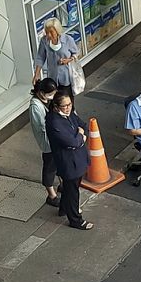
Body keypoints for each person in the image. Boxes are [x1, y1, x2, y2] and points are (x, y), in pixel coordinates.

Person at [45, 93, 92, 230]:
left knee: (71, 188)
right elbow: (71, 142)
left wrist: (80, 135)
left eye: (69, 104)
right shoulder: (54, 122)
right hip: (68, 162)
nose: (68, 108)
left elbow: (83, 124)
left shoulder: (69, 114)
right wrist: (81, 136)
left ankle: (64, 208)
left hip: (78, 159)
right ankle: (76, 220)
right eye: (64, 106)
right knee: (72, 191)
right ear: (56, 106)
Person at [29, 78, 61, 207]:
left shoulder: (46, 101)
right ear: (42, 93)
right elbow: (42, 127)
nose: (52, 96)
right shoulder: (35, 107)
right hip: (48, 143)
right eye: (50, 94)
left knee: (58, 164)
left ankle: (61, 185)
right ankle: (51, 195)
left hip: (55, 141)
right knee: (50, 168)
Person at [32, 18, 79, 94]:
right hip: (52, 77)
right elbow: (40, 57)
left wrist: (68, 60)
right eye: (47, 32)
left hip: (66, 76)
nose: (48, 35)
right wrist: (36, 74)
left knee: (66, 99)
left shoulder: (68, 40)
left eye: (51, 32)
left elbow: (76, 53)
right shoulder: (44, 41)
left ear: (57, 31)